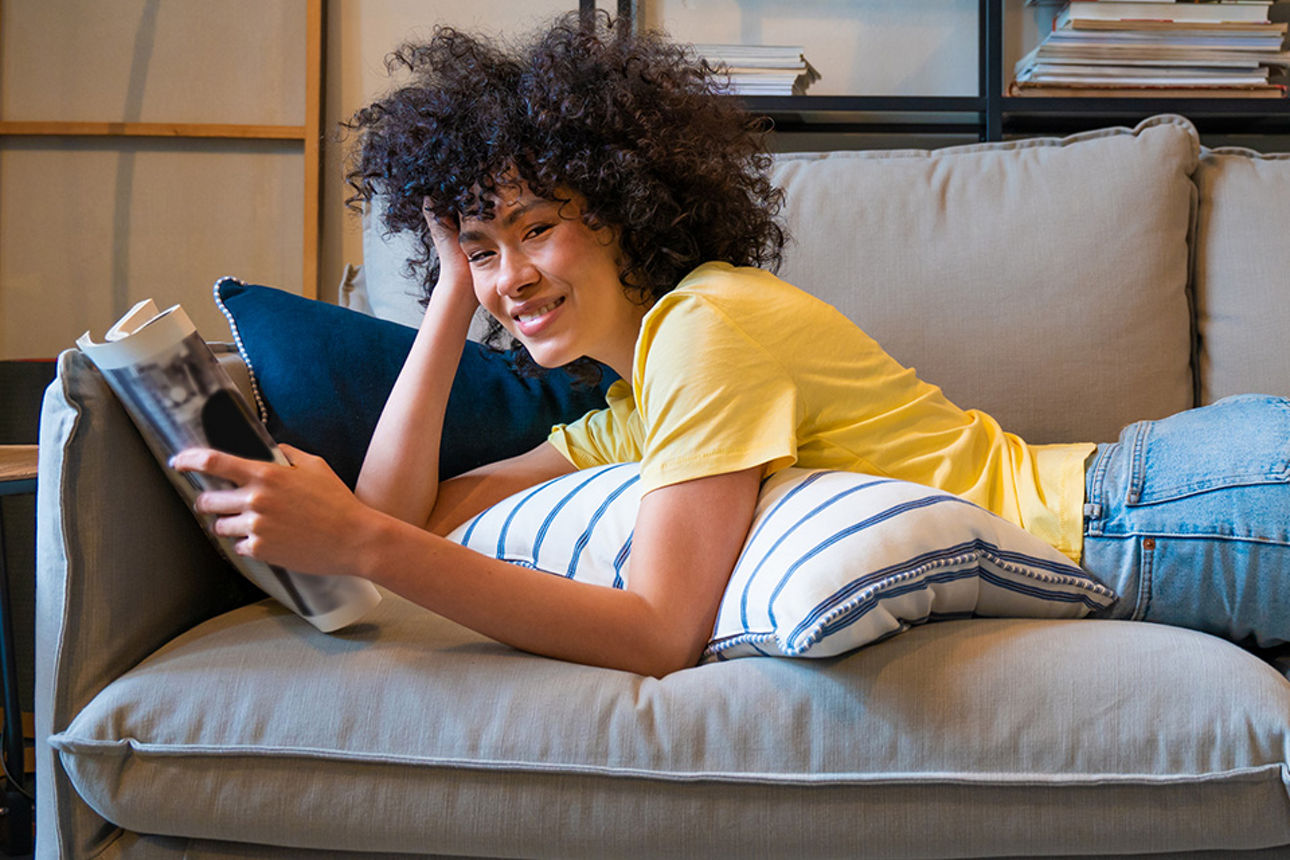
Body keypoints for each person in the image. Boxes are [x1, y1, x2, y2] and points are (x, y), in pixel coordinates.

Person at [171, 13, 1290, 676]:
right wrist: (450, 304)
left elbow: (657, 631)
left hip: (1164, 508)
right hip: (1165, 504)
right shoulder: (637, 404)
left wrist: (365, 546)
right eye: (479, 249)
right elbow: (405, 513)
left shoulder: (705, 330)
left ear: (620, 205)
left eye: (536, 228)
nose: (510, 276)